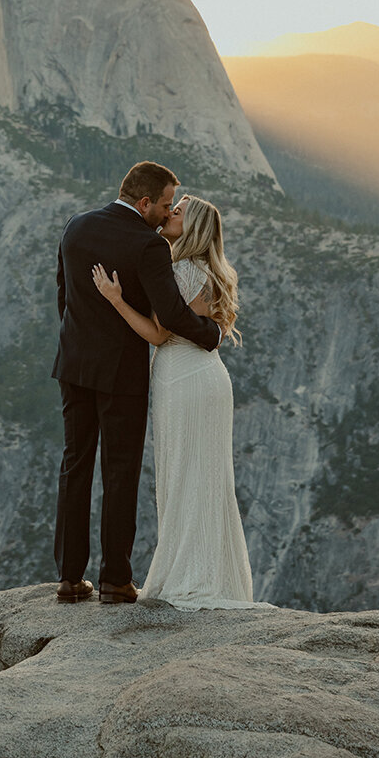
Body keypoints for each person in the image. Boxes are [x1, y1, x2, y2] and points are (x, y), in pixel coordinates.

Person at [93, 194, 275, 610]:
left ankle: (188, 576)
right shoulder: (211, 271)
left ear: (191, 228)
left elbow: (159, 335)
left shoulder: (177, 269)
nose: (168, 214)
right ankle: (207, 573)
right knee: (207, 479)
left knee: (182, 476)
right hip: (208, 377)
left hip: (183, 377)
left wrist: (116, 299)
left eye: (177, 212)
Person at [51, 162, 221, 604]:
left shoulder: (76, 226)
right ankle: (114, 580)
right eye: (165, 206)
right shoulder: (148, 245)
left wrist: (81, 344)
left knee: (75, 465)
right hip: (121, 374)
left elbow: (63, 298)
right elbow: (174, 316)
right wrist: (214, 334)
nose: (168, 215)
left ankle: (70, 579)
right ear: (144, 203)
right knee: (119, 473)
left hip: (73, 366)